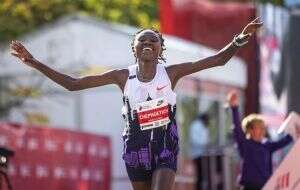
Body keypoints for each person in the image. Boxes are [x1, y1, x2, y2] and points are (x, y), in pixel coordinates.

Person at [10, 18, 262, 190]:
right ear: (134, 48)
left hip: (165, 144)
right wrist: (34, 62)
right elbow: (73, 84)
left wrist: (241, 37)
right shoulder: (122, 76)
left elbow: (217, 60)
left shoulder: (171, 73)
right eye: (143, 40)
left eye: (154, 40)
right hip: (135, 146)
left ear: (161, 47)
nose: (148, 43)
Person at [227, 91, 293, 190]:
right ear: (250, 130)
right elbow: (237, 127)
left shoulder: (267, 145)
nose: (263, 130)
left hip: (266, 186)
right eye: (259, 127)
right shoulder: (245, 144)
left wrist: (294, 130)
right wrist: (234, 108)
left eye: (263, 127)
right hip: (249, 187)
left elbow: (285, 141)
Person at [188, 113, 210, 190]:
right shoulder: (196, 126)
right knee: (200, 175)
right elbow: (195, 140)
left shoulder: (203, 126)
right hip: (198, 154)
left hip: (204, 154)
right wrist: (205, 144)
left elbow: (206, 139)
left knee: (204, 175)